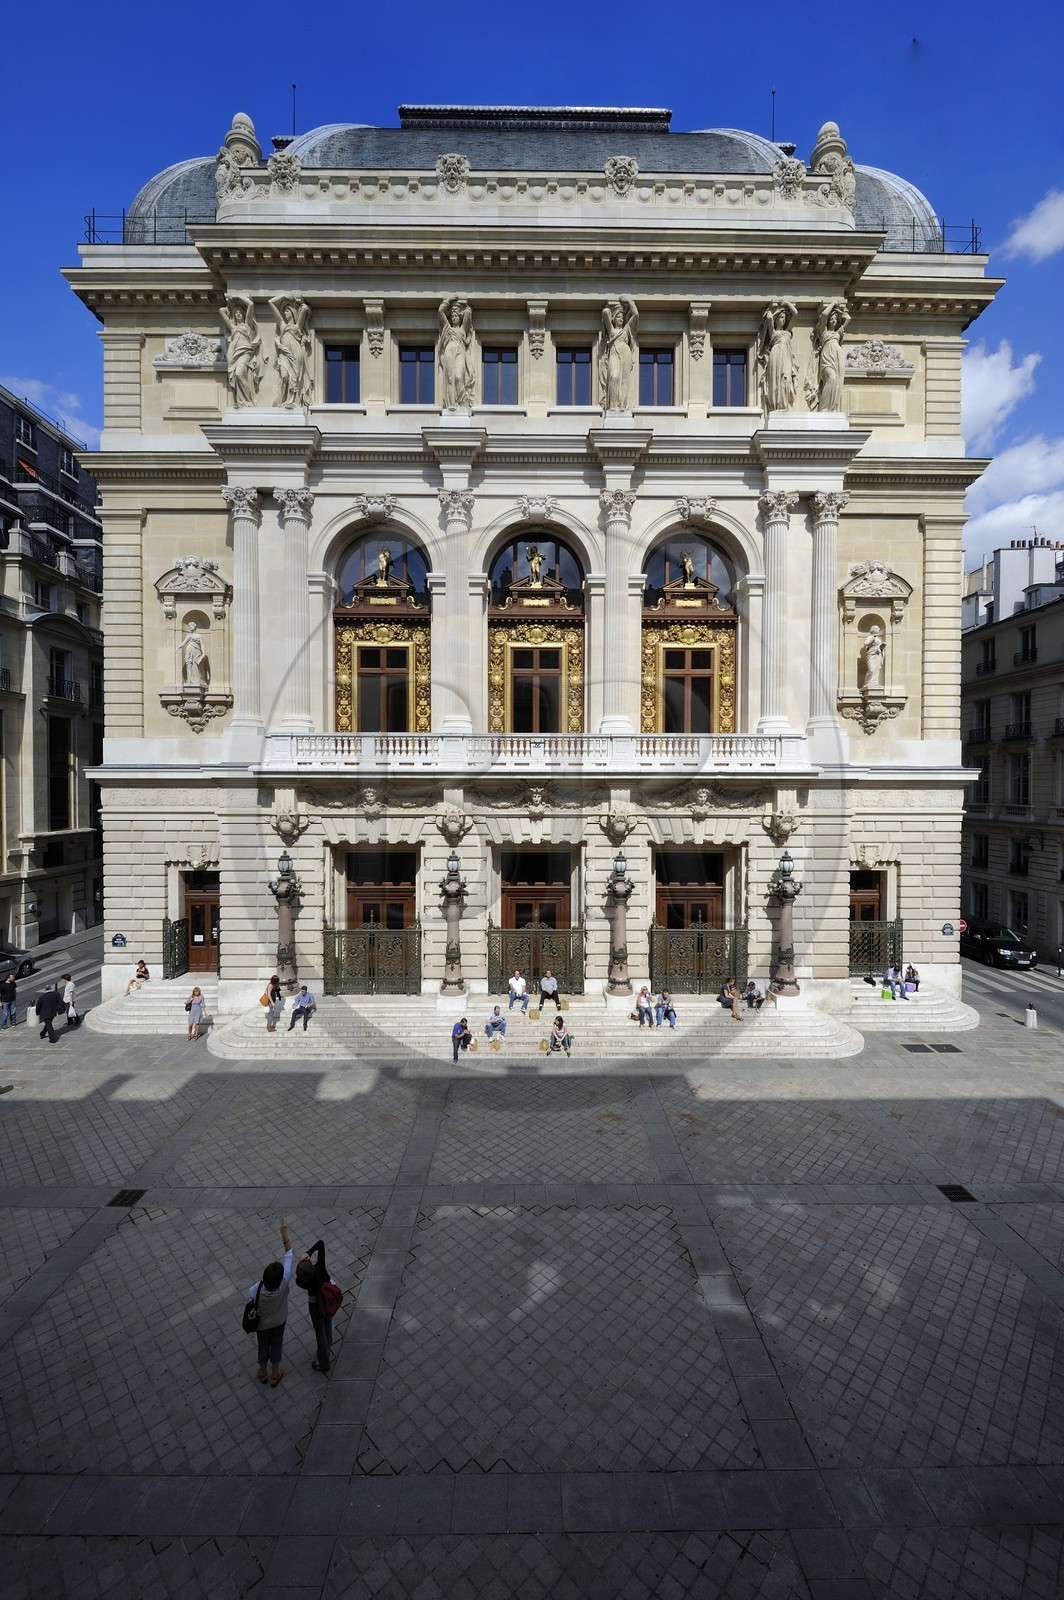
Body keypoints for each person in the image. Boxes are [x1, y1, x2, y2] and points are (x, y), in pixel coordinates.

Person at [247, 1219, 293, 1387]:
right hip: (279, 1320)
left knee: (263, 1345)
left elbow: (249, 1294)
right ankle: (275, 1374)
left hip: (262, 1325)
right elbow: (289, 1256)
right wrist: (285, 1234)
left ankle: (263, 1372)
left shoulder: (257, 1289)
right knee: (277, 1344)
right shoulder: (284, 1282)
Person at [295, 1239, 336, 1375]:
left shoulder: (303, 1282)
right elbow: (321, 1243)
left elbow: (297, 1279)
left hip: (316, 1307)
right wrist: (308, 1252)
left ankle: (324, 1362)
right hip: (328, 1300)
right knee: (328, 1324)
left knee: (320, 1332)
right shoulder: (320, 1267)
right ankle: (327, 1349)